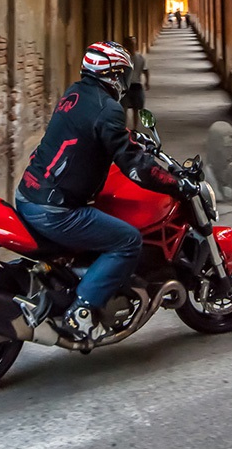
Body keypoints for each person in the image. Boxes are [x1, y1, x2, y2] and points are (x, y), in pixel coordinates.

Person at [14, 41, 189, 343]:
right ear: (112, 75)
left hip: (30, 194)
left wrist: (129, 139)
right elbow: (135, 166)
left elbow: (97, 134)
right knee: (127, 240)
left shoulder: (74, 94)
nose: (123, 82)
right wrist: (175, 183)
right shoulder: (108, 108)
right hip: (56, 211)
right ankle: (82, 310)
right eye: (121, 74)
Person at [122, 35, 150, 131]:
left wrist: (147, 81)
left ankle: (134, 128)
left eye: (132, 44)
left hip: (136, 85)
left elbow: (145, 70)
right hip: (125, 86)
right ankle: (124, 128)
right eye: (129, 44)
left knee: (135, 108)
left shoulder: (140, 58)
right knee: (123, 108)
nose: (131, 46)